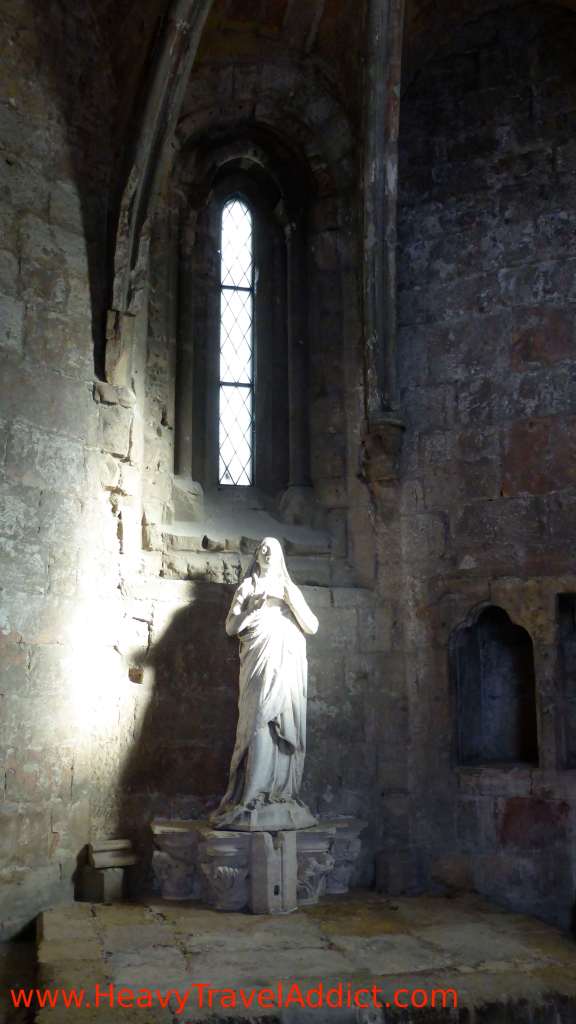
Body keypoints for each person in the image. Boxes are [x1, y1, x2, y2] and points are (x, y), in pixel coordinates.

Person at [211, 537, 319, 831]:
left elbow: (312, 625)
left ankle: (280, 795)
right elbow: (231, 627)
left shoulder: (288, 588)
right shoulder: (247, 587)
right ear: (257, 555)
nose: (267, 552)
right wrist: (252, 611)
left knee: (282, 725)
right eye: (262, 548)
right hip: (258, 662)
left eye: (273, 548)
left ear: (281, 557)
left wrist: (290, 600)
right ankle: (250, 797)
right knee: (258, 720)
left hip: (286, 665)